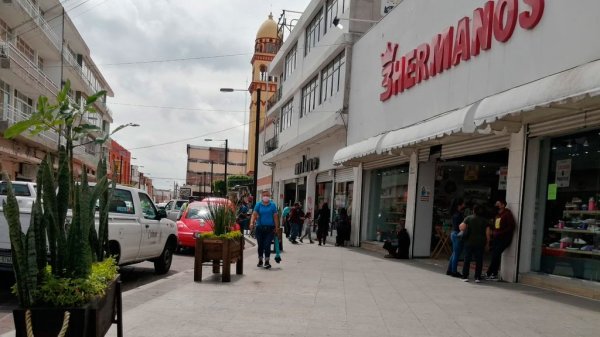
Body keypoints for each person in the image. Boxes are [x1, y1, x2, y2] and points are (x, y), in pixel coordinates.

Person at [485, 199, 516, 280]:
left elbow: (511, 226)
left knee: (496, 254)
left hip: (504, 238)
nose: (496, 205)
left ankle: (489, 273)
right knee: (495, 255)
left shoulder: (507, 214)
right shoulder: (497, 215)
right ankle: (494, 274)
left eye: (498, 204)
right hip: (496, 238)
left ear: (503, 205)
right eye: (496, 203)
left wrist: (500, 233)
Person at [250, 190, 280, 269]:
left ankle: (267, 261)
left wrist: (277, 227)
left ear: (269, 196)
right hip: (260, 228)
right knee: (260, 245)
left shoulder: (272, 205)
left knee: (267, 245)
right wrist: (251, 223)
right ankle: (260, 259)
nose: (265, 197)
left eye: (267, 195)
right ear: (262, 196)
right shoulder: (258, 205)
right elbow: (254, 214)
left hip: (270, 229)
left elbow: (275, 217)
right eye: (264, 195)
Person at [460, 204, 488, 283]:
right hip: (480, 242)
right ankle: (477, 277)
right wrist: (487, 243)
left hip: (469, 242)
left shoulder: (469, 218)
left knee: (467, 259)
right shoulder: (484, 220)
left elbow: (462, 227)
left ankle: (465, 276)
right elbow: (487, 233)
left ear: (473, 210)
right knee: (479, 260)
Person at [446, 198, 466, 278]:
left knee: (454, 253)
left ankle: (449, 270)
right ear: (459, 205)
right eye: (463, 203)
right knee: (456, 254)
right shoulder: (459, 214)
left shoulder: (454, 213)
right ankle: (454, 271)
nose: (464, 204)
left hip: (454, 233)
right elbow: (462, 226)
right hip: (458, 234)